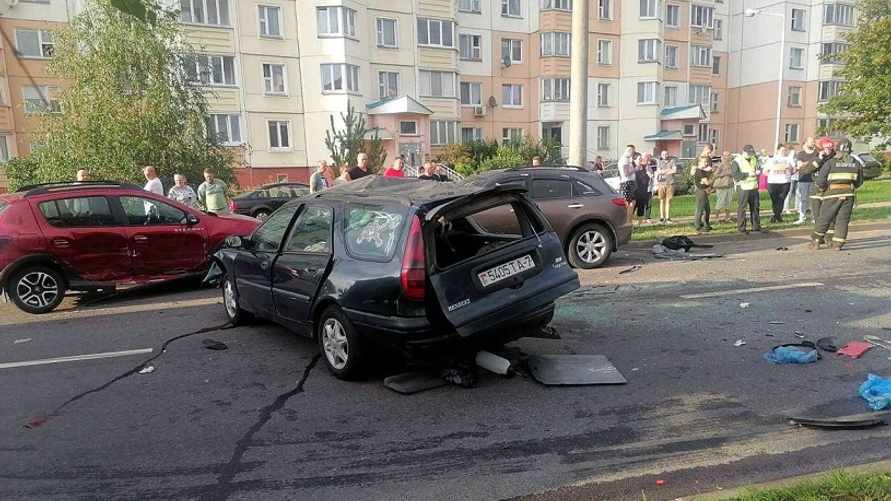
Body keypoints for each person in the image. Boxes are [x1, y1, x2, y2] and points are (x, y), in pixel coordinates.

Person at [810, 137, 862, 251]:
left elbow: (820, 181)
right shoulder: (856, 163)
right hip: (849, 195)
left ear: (837, 149)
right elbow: (859, 182)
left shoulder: (831, 162)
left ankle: (816, 241)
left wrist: (823, 189)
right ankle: (837, 244)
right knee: (842, 219)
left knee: (824, 218)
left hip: (831, 194)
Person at [732, 144, 763, 233]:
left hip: (754, 186)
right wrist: (748, 174)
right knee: (742, 208)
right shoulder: (737, 161)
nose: (750, 154)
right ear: (744, 152)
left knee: (755, 207)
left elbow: (758, 168)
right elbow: (735, 175)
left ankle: (756, 226)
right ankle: (741, 228)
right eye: (749, 152)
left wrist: (758, 172)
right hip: (743, 187)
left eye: (752, 152)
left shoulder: (754, 158)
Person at [766, 144, 794, 223]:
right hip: (773, 182)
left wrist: (790, 169)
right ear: (777, 150)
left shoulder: (789, 159)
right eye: (782, 150)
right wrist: (772, 174)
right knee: (775, 200)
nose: (784, 152)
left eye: (785, 150)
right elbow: (765, 171)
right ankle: (777, 216)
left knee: (781, 199)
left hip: (785, 182)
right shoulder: (772, 159)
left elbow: (794, 170)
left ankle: (776, 216)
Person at [794, 137, 819, 224]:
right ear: (806, 143)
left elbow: (819, 163)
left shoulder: (817, 153)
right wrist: (812, 162)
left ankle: (814, 218)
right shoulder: (801, 154)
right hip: (803, 179)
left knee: (814, 200)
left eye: (813, 141)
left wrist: (808, 163)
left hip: (814, 179)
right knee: (803, 199)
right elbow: (800, 165)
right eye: (811, 142)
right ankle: (802, 217)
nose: (813, 143)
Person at [693, 145, 714, 232]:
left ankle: (705, 224)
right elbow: (693, 172)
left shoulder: (708, 160)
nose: (706, 163)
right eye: (708, 152)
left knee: (706, 208)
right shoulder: (699, 168)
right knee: (700, 208)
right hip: (700, 188)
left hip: (705, 187)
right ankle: (698, 225)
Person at [712, 151, 735, 223]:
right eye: (725, 155)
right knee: (720, 202)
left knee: (728, 202)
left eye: (728, 155)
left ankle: (727, 217)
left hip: (730, 185)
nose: (727, 157)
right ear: (722, 156)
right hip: (721, 186)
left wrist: (732, 174)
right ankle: (716, 218)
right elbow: (715, 175)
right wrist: (723, 174)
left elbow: (735, 174)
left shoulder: (731, 165)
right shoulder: (720, 165)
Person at [654, 151, 676, 224]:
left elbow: (674, 170)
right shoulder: (659, 162)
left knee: (668, 201)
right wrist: (668, 170)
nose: (665, 155)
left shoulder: (672, 161)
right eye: (663, 154)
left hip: (670, 183)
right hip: (661, 184)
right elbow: (658, 171)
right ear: (661, 155)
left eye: (666, 154)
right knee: (662, 200)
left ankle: (668, 218)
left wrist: (664, 171)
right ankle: (661, 218)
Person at [619, 145, 637, 223]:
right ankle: (628, 221)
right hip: (627, 183)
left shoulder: (627, 159)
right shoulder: (624, 159)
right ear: (629, 151)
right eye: (632, 152)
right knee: (629, 203)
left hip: (629, 182)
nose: (633, 154)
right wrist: (635, 169)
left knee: (632, 202)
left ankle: (629, 221)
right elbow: (626, 173)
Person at [632, 161, 651, 226]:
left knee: (641, 208)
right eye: (639, 159)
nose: (640, 161)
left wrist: (649, 175)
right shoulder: (633, 168)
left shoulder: (645, 169)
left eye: (641, 159)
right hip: (634, 192)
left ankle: (639, 224)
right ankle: (630, 223)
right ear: (635, 161)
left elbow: (649, 178)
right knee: (632, 208)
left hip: (643, 191)